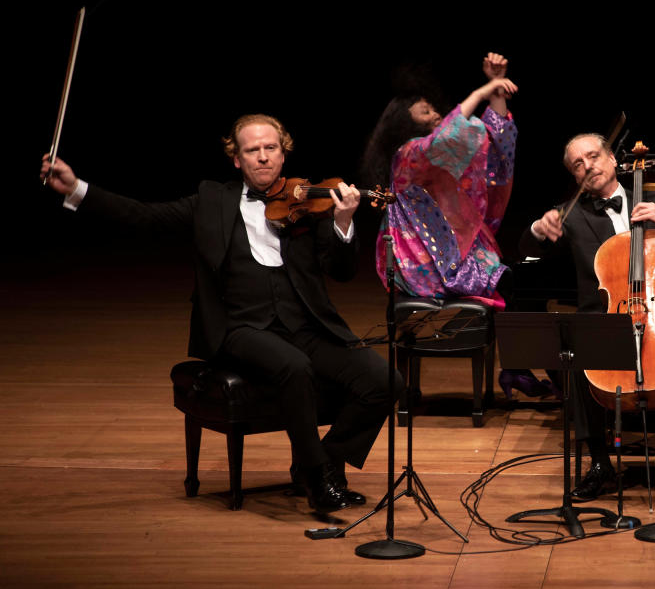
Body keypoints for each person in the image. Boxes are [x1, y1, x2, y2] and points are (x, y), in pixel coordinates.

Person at [40, 114, 393, 514]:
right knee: (294, 367)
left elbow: (343, 272)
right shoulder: (211, 201)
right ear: (237, 159)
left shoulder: (308, 201)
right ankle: (316, 480)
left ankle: (324, 460)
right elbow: (143, 216)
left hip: (305, 325)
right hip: (241, 328)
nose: (263, 158)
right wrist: (77, 189)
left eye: (270, 148)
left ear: (283, 152)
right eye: (252, 150)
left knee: (383, 379)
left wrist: (343, 220)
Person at [519, 132, 655, 500]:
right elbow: (525, 253)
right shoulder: (572, 216)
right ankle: (599, 462)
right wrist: (537, 229)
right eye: (577, 164)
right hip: (607, 321)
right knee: (577, 359)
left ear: (614, 160)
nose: (588, 167)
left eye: (593, 156)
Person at [361, 52, 517, 309]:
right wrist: (480, 92)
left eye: (434, 109)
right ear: (403, 121)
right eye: (425, 111)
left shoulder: (444, 158)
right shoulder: (406, 155)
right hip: (421, 261)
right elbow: (444, 139)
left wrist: (496, 91)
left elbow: (494, 144)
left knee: (508, 278)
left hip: (452, 254)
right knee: (503, 281)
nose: (435, 114)